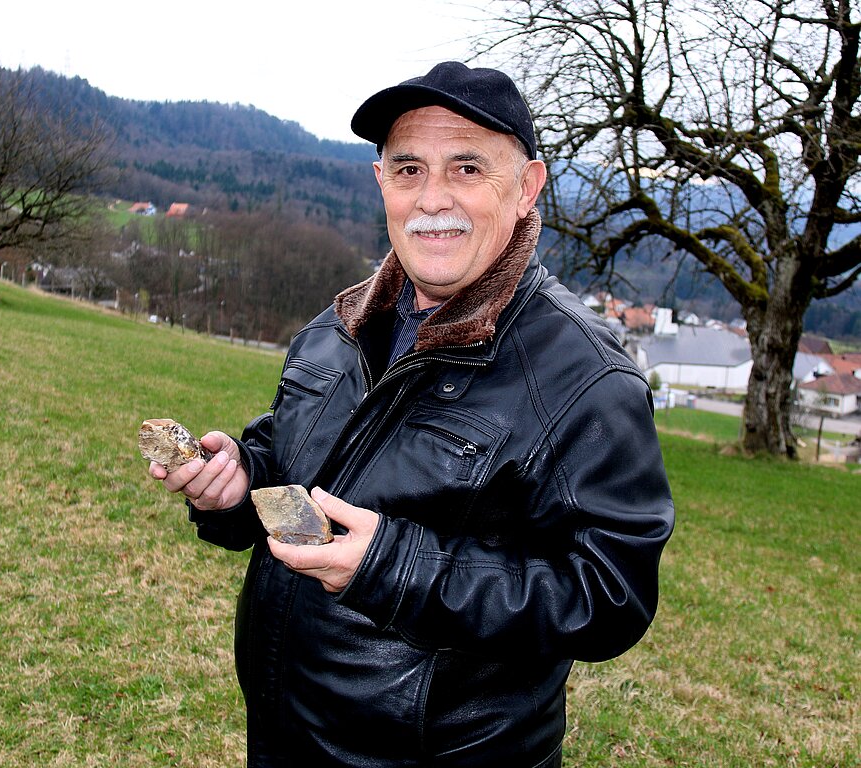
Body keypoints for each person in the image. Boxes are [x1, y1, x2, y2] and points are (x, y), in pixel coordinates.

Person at [150, 61, 674, 768]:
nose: (432, 199)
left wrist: (397, 566)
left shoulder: (586, 377)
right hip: (289, 730)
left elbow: (608, 597)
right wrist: (241, 484)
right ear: (379, 184)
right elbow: (295, 473)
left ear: (526, 189)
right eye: (407, 170)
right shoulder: (337, 325)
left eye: (466, 169)